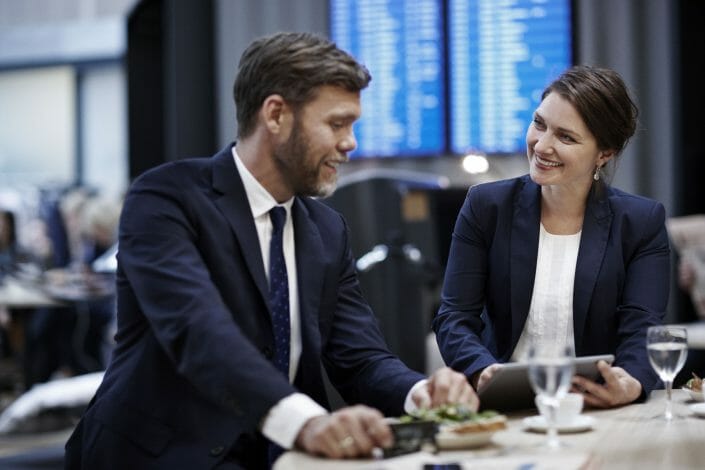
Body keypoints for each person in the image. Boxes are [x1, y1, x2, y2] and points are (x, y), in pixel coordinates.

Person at [64, 32, 477, 469]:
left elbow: (360, 357)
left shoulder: (326, 229)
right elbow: (198, 330)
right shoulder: (168, 198)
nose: (350, 143)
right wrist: (305, 422)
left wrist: (420, 393)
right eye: (337, 124)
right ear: (276, 114)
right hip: (163, 456)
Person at [433, 65, 670, 409]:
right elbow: (453, 317)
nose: (542, 145)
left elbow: (642, 328)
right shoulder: (486, 206)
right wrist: (482, 370)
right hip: (503, 404)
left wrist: (630, 383)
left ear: (604, 154)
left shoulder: (641, 222)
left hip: (595, 405)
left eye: (566, 137)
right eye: (539, 124)